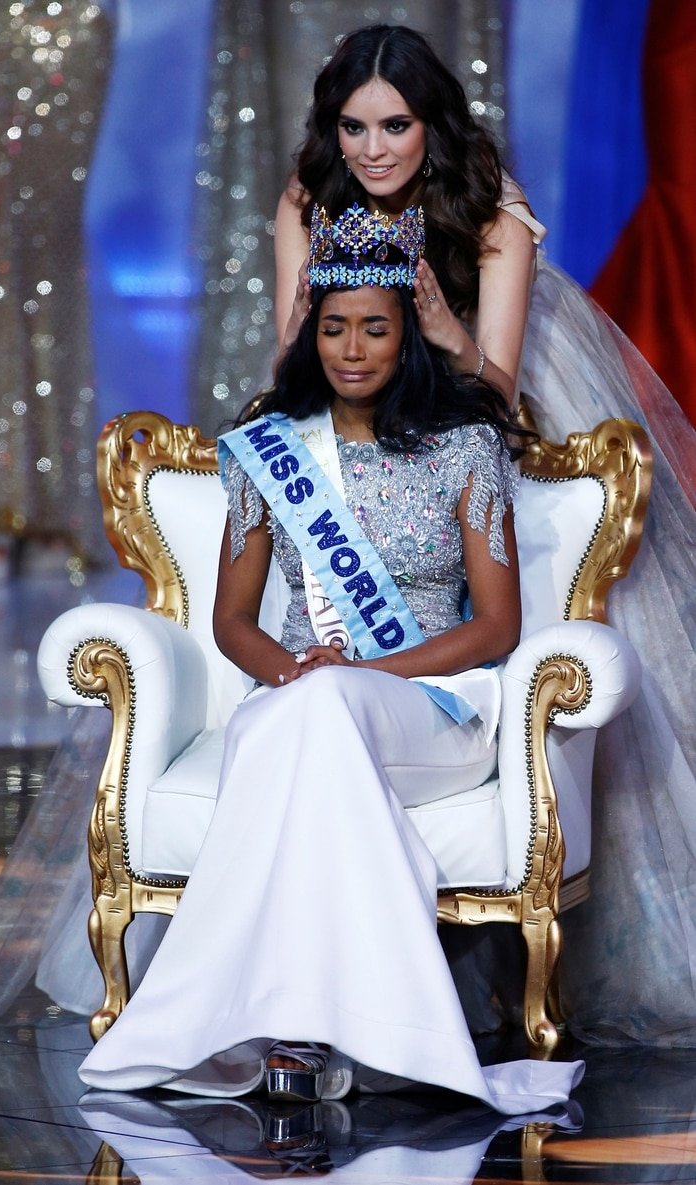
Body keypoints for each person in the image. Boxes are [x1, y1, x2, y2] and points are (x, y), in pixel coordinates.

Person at [76, 203, 584, 1114]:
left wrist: (358, 678)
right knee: (301, 719)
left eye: (376, 328)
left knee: (309, 718)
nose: (354, 348)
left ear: (407, 334)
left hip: (434, 706)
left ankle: (262, 1028)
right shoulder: (272, 447)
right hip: (304, 695)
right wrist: (294, 673)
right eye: (336, 326)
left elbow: (499, 627)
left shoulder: (465, 443)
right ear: (312, 331)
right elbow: (233, 620)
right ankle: (321, 1035)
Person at [271, 24, 696, 1047]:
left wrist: (430, 314)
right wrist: (306, 306)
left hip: (473, 441)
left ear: (433, 125)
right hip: (352, 439)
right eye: (353, 127)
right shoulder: (308, 202)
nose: (374, 150)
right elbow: (294, 368)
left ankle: (495, 964)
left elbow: (498, 393)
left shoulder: (490, 220)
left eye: (397, 126)